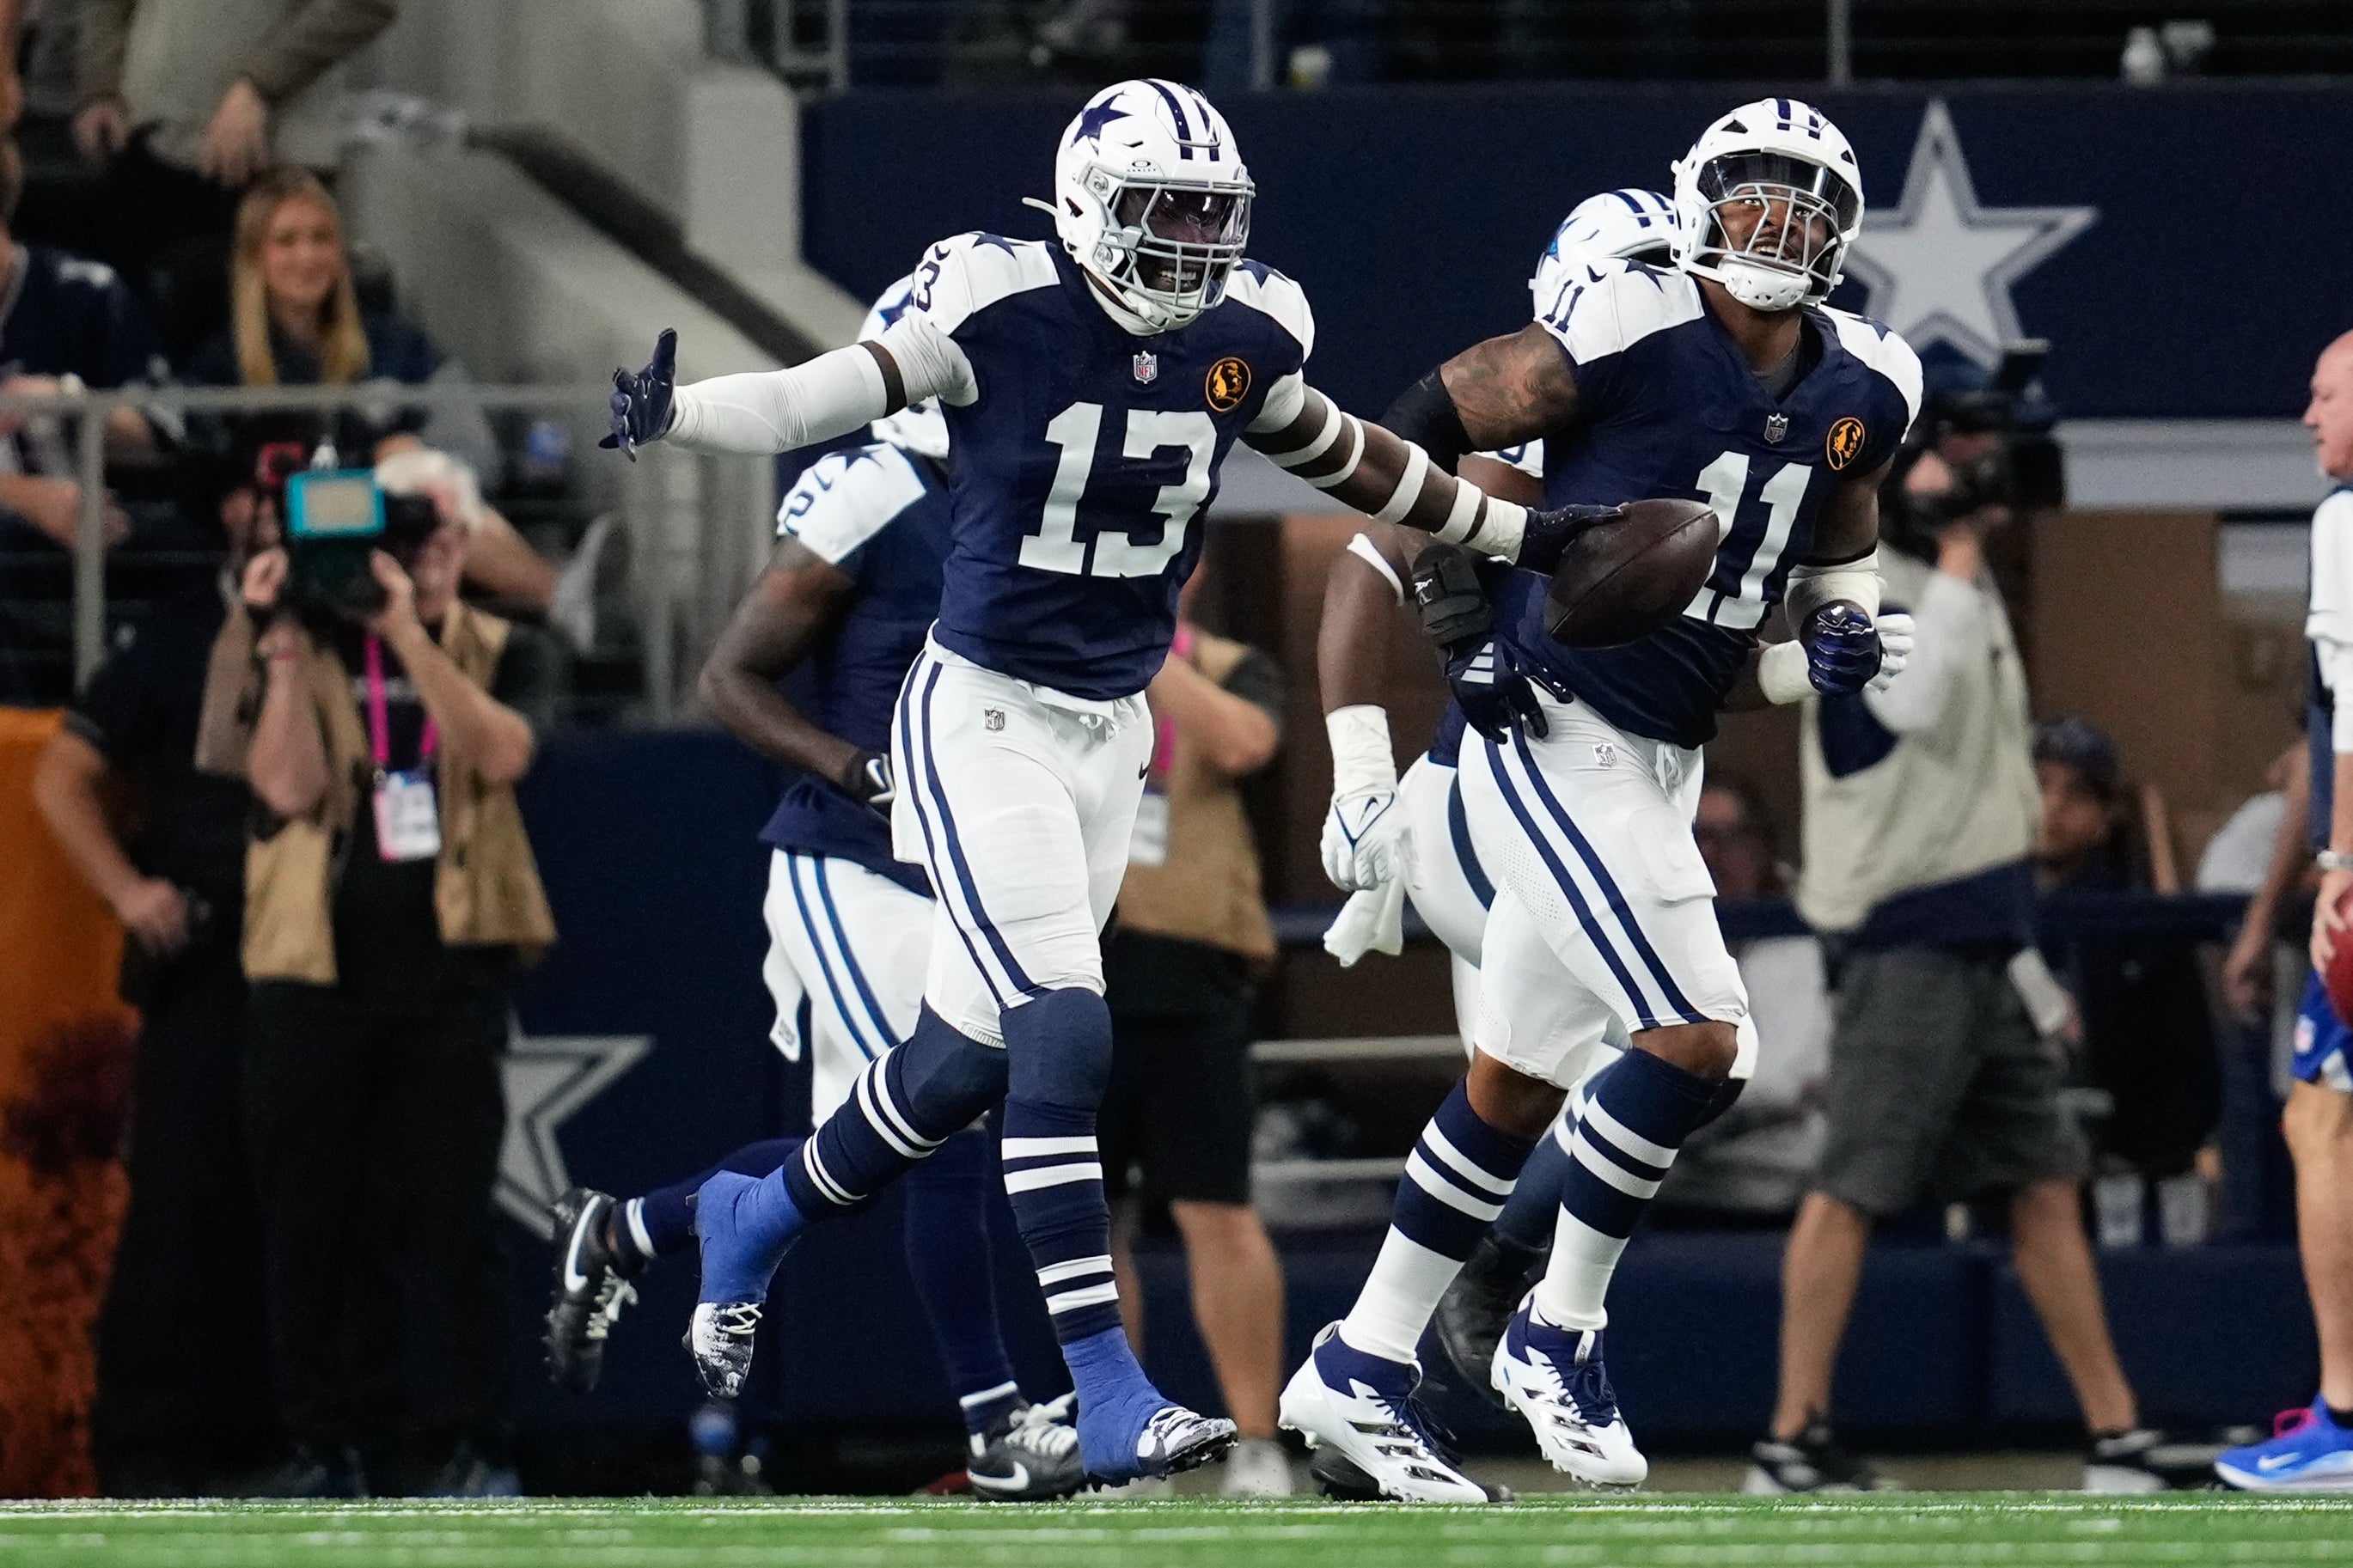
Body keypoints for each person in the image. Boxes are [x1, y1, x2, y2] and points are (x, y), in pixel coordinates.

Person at [603, 76, 1594, 1485]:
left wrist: (1523, 533)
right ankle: (1103, 1385)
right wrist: (682, 411)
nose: (1189, 243)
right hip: (981, 716)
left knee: (956, 1068)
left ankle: (749, 1223)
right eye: (1161, 211)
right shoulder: (993, 301)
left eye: (1210, 216)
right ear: (1080, 206)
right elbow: (824, 388)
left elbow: (1349, 459)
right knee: (1064, 1038)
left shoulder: (1244, 335)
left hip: (1109, 733)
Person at [1282, 97, 1918, 1501]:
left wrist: (1840, 632)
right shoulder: (1625, 329)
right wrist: (1465, 602)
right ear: (1691, 209)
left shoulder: (1868, 381)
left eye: (1806, 203)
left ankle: (1360, 1369)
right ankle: (1555, 1330)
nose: (1778, 226)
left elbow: (1841, 539)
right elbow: (1418, 427)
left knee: (1508, 1090)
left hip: (1661, 754)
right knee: (1702, 1044)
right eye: (1752, 195)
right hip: (1552, 737)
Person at [541, 277, 1085, 1503]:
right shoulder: (877, 484)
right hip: (847, 853)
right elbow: (725, 676)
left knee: (862, 1151)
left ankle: (632, 1230)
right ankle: (995, 1423)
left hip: (950, 865)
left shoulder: (1002, 491)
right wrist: (859, 767)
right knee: (946, 1109)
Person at [1752, 412, 2181, 1495]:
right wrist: (1950, 553)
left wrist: (2029, 973)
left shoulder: (1956, 579)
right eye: (1950, 450)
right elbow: (1912, 699)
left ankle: (2116, 1435)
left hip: (1981, 931)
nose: (1972, 474)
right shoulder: (1847, 584)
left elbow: (1987, 782)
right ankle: (1788, 1437)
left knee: (2042, 1182)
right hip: (1904, 930)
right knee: (1852, 1183)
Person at [229, 453, 558, 1496]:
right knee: (310, 1225)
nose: (407, 562)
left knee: (451, 1226)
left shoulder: (495, 644)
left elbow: (501, 754)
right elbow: (281, 787)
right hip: (311, 979)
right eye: (390, 545)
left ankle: (472, 1441)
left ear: (457, 545)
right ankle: (329, 1444)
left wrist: (408, 630)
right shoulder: (290, 644)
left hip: (444, 979)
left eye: (425, 541)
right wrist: (281, 640)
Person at [28, 448, 279, 1493]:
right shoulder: (178, 632)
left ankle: (283, 1439)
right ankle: (152, 1455)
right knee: (181, 1207)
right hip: (204, 960)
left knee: (301, 1206)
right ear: (232, 507)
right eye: (276, 492)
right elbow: (62, 777)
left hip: (325, 967)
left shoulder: (369, 622)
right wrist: (130, 891)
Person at [184, 169, 578, 630]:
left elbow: (476, 458)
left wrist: (398, 466)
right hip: (280, 548)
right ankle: (563, 595)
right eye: (286, 241)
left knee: (414, 466)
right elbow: (200, 474)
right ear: (255, 258)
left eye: (321, 238)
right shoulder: (218, 365)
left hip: (399, 536)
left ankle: (563, 596)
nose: (307, 256)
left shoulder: (396, 345)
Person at [1099, 570, 1290, 1496]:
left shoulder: (1229, 664)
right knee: (1086, 1225)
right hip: (1074, 971)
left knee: (1216, 1209)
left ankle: (1255, 1440)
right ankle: (1121, 1438)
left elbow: (1244, 740)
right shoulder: (1052, 657)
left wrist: (1136, 636)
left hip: (1190, 974)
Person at [2218, 330, 2353, 1490]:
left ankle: (2346, 1419)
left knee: (2320, 1126)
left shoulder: (2344, 520)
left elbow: (2352, 719)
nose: (2307, 414)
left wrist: (2342, 863)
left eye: (2324, 394)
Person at [72, 0, 400, 357]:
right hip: (145, 145)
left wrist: (259, 86)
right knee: (141, 371)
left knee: (264, 372)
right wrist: (100, 83)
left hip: (270, 162)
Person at [0, 134, 166, 555]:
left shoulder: (86, 292)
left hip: (90, 546)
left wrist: (67, 400)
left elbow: (157, 437)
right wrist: (25, 498)